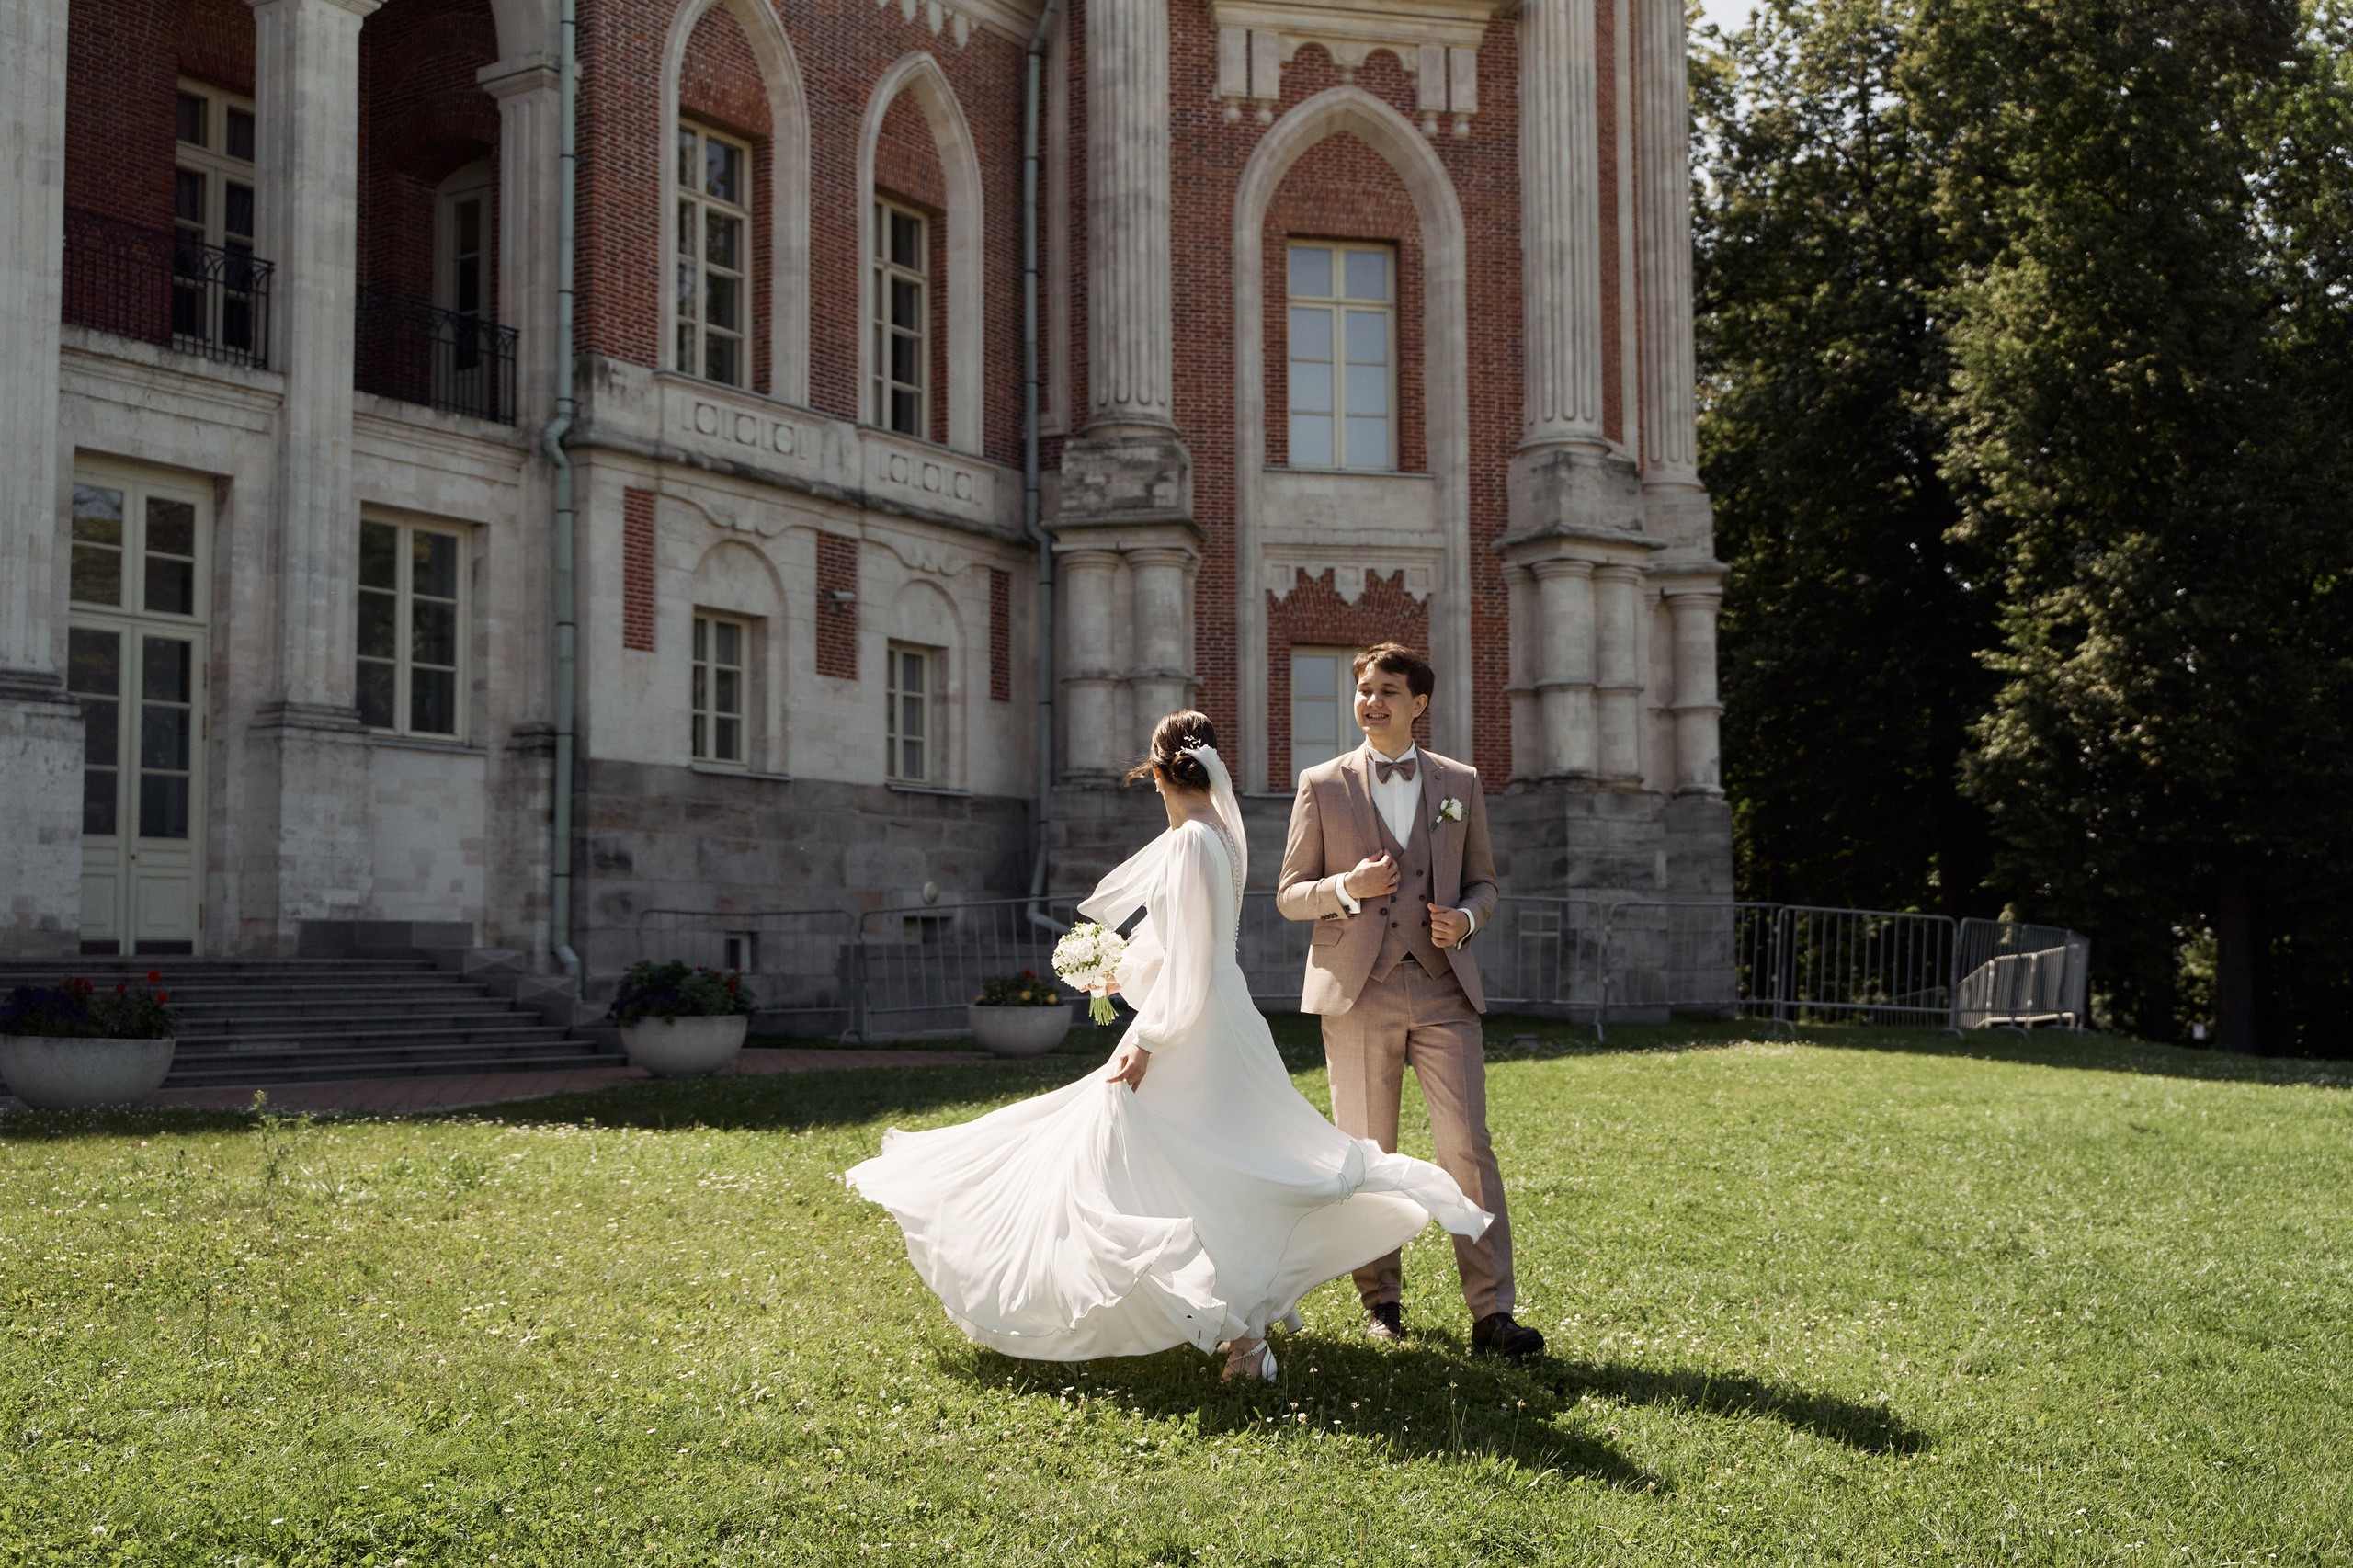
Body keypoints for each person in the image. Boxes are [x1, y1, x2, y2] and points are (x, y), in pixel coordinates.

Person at [847, 710, 1492, 1381]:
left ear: (1155, 771)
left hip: (1191, 1024)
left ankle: (1237, 1335)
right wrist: (1116, 971)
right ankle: (1243, 1331)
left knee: (1141, 1157)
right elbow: (1194, 948)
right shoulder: (1223, 836)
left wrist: (1148, 1038)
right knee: (1222, 1167)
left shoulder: (1188, 843)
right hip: (1226, 1015)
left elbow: (1187, 961)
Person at [1277, 643, 1544, 1358]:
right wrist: (1345, 890)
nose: (1371, 701)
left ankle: (1492, 1315)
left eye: (1388, 690)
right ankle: (1382, 1303)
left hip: (1442, 988)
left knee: (1468, 1150)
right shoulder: (1321, 783)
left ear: (1418, 704)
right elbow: (1288, 894)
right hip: (1357, 993)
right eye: (1363, 689)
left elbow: (1485, 882)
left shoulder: (1461, 781)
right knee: (1370, 1153)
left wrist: (1468, 918)